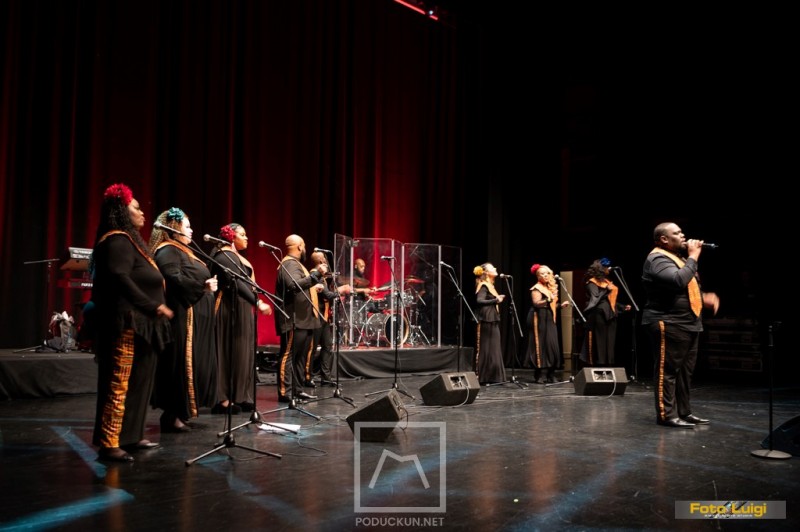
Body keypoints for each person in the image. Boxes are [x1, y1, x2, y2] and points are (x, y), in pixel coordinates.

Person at [89, 183, 173, 462]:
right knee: (120, 381)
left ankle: (131, 435)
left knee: (140, 381)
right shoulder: (117, 240)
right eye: (136, 208)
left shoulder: (130, 240)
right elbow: (119, 278)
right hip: (127, 322)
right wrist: (153, 305)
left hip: (142, 325)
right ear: (122, 212)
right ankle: (110, 442)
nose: (142, 213)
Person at [642, 222, 719, 429]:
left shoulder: (677, 258)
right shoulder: (657, 258)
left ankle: (684, 412)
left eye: (682, 231)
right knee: (667, 371)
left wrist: (703, 298)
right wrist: (694, 255)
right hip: (669, 322)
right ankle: (667, 414)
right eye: (676, 233)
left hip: (688, 322)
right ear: (664, 239)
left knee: (685, 372)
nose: (683, 235)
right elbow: (677, 281)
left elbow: (681, 289)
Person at [148, 208, 218, 433]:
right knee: (180, 365)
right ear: (175, 228)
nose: (192, 230)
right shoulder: (167, 249)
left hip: (194, 317)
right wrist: (202, 286)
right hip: (181, 318)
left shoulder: (182, 250)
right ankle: (172, 415)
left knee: (191, 365)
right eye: (187, 226)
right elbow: (173, 278)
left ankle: (181, 412)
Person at [210, 223, 272, 414]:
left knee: (243, 353)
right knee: (228, 352)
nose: (246, 238)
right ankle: (223, 399)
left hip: (242, 308)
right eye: (242, 235)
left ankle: (241, 395)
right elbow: (235, 280)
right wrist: (258, 302)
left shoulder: (237, 257)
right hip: (229, 309)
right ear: (231, 237)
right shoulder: (223, 255)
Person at [274, 234, 326, 402]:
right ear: (300, 246)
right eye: (304, 246)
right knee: (288, 355)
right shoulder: (289, 263)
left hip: (304, 319)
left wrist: (313, 283)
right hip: (293, 319)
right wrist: (316, 275)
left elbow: (301, 284)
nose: (305, 249)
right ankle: (285, 392)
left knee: (300, 357)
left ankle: (297, 389)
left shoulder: (297, 265)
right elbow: (293, 285)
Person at [308, 251, 351, 386]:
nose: (327, 261)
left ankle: (325, 377)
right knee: (312, 349)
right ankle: (307, 377)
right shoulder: (315, 275)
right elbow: (326, 295)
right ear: (321, 261)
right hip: (316, 316)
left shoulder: (321, 276)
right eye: (325, 259)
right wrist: (341, 290)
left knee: (327, 346)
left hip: (324, 317)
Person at [580, 258, 631, 367]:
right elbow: (596, 298)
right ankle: (600, 366)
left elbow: (609, 300)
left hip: (611, 314)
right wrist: (606, 290)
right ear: (601, 269)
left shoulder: (606, 281)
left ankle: (608, 366)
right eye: (607, 267)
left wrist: (622, 307)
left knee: (610, 342)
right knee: (600, 341)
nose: (609, 269)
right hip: (598, 314)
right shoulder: (592, 282)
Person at [526, 264, 569, 383]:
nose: (545, 275)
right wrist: (550, 299)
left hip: (549, 318)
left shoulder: (550, 288)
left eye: (547, 273)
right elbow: (537, 303)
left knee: (552, 345)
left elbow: (551, 305)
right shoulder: (537, 288)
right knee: (541, 345)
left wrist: (560, 306)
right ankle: (540, 374)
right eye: (542, 274)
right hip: (538, 318)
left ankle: (551, 373)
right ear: (538, 276)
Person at [473, 263, 506, 384]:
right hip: (486, 317)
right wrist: (496, 300)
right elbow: (479, 300)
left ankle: (494, 376)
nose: (496, 268)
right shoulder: (483, 285)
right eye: (493, 268)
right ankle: (484, 376)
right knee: (486, 347)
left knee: (494, 347)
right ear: (486, 272)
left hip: (492, 316)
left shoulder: (490, 285)